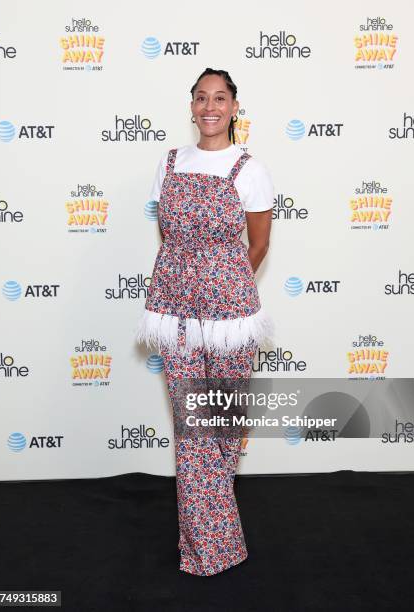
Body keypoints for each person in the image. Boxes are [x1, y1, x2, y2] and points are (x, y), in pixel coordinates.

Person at [135, 67, 275, 576]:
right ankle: (208, 547)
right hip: (173, 309)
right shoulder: (169, 163)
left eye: (220, 98)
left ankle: (216, 535)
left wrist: (222, 286)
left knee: (223, 426)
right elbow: (169, 237)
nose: (209, 106)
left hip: (231, 315)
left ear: (235, 107)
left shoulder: (251, 169)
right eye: (200, 97)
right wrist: (190, 287)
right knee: (193, 429)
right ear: (190, 106)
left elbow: (257, 245)